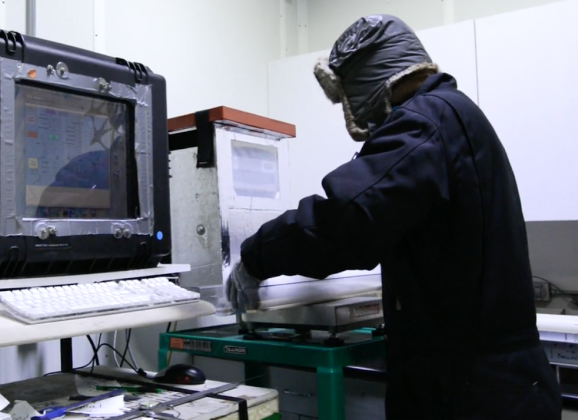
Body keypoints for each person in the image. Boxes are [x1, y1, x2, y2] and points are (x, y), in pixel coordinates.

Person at [225, 14, 561, 420]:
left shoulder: (423, 124)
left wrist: (255, 255)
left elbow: (346, 220)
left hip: (469, 389)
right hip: (495, 380)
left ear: (368, 80)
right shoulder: (453, 114)